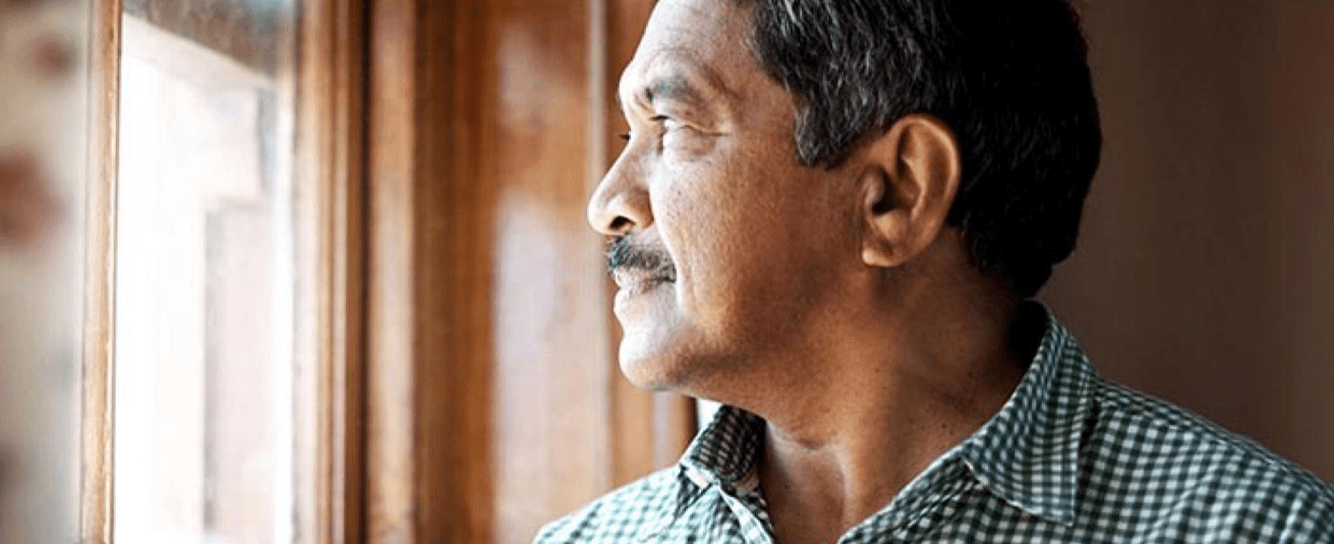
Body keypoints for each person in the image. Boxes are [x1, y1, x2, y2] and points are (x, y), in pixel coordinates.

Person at [535, 0, 1334, 542]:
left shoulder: (1259, 529)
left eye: (670, 123)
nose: (607, 201)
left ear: (896, 193)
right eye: (624, 134)